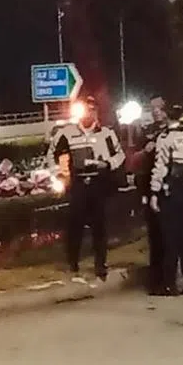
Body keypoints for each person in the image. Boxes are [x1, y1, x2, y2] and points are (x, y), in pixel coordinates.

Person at [47, 96, 126, 280]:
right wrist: (59, 173)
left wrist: (107, 164)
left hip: (99, 184)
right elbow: (52, 154)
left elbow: (119, 155)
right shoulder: (66, 133)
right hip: (78, 185)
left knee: (100, 227)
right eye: (85, 109)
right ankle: (73, 262)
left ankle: (100, 264)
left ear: (96, 111)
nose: (88, 113)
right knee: (75, 226)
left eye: (92, 109)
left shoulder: (106, 133)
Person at [150, 103, 183, 296]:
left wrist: (154, 192)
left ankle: (168, 284)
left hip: (171, 191)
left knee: (170, 238)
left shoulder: (165, 138)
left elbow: (161, 167)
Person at [135, 95, 169, 294]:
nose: (156, 111)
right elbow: (135, 158)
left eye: (160, 107)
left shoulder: (177, 130)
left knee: (171, 234)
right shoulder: (146, 133)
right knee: (155, 235)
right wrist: (145, 151)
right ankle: (156, 281)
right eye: (152, 108)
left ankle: (171, 277)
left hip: (170, 186)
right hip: (150, 187)